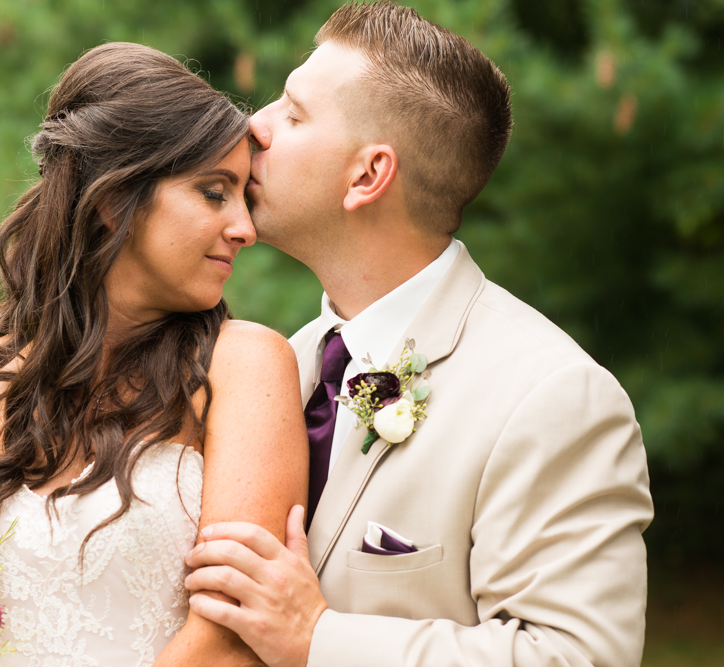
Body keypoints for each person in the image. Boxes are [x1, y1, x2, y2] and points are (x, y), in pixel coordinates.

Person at [184, 3, 654, 667]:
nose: (253, 126)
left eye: (291, 113)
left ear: (369, 175)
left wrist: (320, 639)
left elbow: (580, 657)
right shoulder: (279, 367)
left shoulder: (552, 398)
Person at [0, 42, 308, 667]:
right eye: (214, 193)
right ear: (112, 199)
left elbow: (231, 634)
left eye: (244, 198)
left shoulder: (243, 366)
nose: (245, 229)